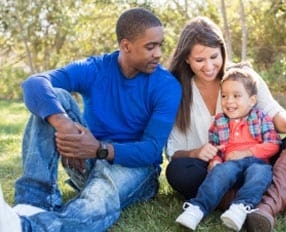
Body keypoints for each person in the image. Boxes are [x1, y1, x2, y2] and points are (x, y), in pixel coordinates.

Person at [0, 7, 181, 232]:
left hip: (136, 170)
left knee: (98, 196)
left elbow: (152, 150)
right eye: (150, 46)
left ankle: (24, 227)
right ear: (126, 46)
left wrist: (99, 149)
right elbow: (34, 84)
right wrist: (64, 126)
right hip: (85, 160)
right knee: (56, 97)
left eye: (160, 45)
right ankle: (32, 203)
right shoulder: (96, 68)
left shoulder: (167, 86)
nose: (158, 54)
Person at [165, 16, 286, 232]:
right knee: (178, 171)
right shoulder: (178, 91)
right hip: (216, 169)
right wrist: (196, 152)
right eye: (200, 60)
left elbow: (274, 113)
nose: (209, 66)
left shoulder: (243, 78)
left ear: (222, 51)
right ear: (187, 60)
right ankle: (283, 204)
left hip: (259, 163)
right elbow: (175, 153)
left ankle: (266, 208)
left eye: (214, 56)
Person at [175, 68, 281, 231]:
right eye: (224, 96)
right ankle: (197, 209)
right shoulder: (220, 121)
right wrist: (215, 161)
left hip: (256, 163)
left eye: (236, 96)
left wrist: (247, 153)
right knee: (219, 174)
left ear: (252, 100)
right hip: (230, 164)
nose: (229, 101)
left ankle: (240, 208)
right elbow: (217, 148)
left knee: (261, 174)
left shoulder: (260, 117)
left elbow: (273, 144)